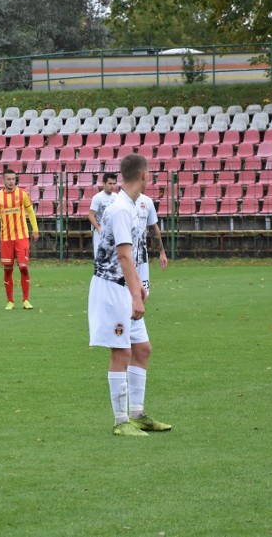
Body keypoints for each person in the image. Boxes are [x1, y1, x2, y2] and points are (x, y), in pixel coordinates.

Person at [88, 154, 172, 436]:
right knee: (121, 351)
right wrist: (135, 295)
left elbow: (131, 255)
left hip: (125, 286)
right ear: (144, 175)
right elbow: (123, 255)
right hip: (112, 288)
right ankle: (121, 421)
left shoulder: (133, 205)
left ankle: (137, 414)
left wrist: (138, 286)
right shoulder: (122, 209)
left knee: (142, 349)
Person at [0, 169, 40, 310]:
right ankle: (10, 301)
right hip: (6, 238)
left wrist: (35, 229)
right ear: (3, 180)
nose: (11, 181)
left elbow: (31, 212)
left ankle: (26, 300)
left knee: (23, 267)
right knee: (8, 269)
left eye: (13, 179)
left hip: (21, 236)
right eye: (8, 179)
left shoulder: (23, 194)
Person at [134, 192, 169, 295]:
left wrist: (162, 252)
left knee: (143, 293)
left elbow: (153, 228)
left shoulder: (147, 201)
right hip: (124, 255)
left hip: (141, 255)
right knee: (124, 294)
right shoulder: (119, 201)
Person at [87, 172, 117, 258]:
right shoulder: (98, 198)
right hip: (101, 233)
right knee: (100, 260)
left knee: (112, 261)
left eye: (114, 184)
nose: (112, 186)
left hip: (113, 232)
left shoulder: (116, 197)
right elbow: (91, 215)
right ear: (104, 184)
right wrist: (99, 228)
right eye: (110, 183)